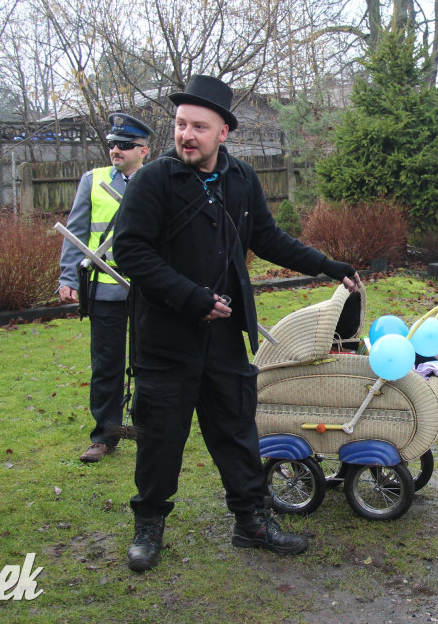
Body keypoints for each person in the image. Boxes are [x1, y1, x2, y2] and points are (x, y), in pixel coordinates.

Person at [112, 75, 361, 572]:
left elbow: (268, 238)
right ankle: (149, 526)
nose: (186, 134)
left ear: (223, 131)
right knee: (161, 439)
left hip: (224, 338)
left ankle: (251, 521)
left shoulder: (241, 179)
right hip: (165, 338)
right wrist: (190, 297)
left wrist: (326, 264)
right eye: (181, 124)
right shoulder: (153, 181)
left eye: (199, 127)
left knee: (236, 432)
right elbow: (131, 252)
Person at [58, 113, 152, 463]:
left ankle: (147, 430)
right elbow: (76, 231)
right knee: (106, 364)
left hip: (148, 289)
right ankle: (105, 435)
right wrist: (68, 277)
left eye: (124, 145)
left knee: (149, 362)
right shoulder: (93, 181)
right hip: (106, 288)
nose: (115, 149)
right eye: (112, 143)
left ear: (143, 150)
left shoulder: (159, 179)